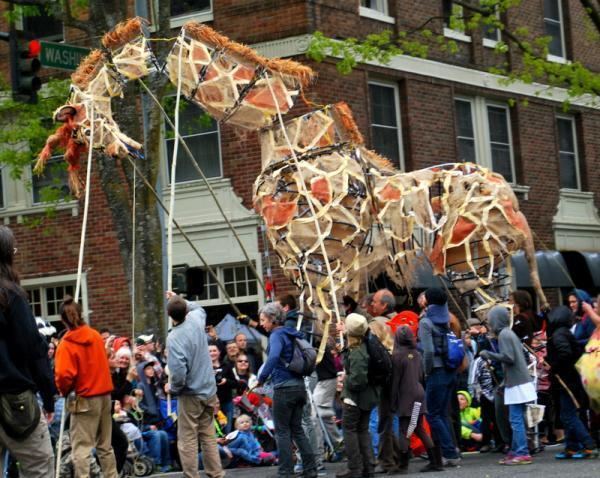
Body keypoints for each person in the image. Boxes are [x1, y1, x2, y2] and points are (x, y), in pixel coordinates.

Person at [0, 226, 55, 477]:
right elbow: (31, 349)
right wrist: (48, 394)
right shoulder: (10, 295)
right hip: (14, 401)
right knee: (39, 467)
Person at [54, 295, 118, 477]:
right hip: (104, 395)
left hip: (84, 398)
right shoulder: (95, 336)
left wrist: (65, 390)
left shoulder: (66, 344)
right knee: (105, 446)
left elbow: (63, 375)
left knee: (81, 449)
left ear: (62, 319)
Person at [165, 291, 224, 478]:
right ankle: (216, 473)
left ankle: (192, 475)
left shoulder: (174, 338)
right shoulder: (196, 320)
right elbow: (198, 308)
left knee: (188, 438)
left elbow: (179, 372)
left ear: (169, 315)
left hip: (191, 393)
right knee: (208, 434)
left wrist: (174, 388)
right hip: (209, 389)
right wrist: (180, 299)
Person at [256, 302, 317, 478]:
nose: (261, 324)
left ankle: (285, 472)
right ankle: (311, 469)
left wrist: (262, 378)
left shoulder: (276, 335)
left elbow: (274, 356)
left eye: (263, 320)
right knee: (297, 430)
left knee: (282, 431)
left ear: (273, 320)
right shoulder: (291, 333)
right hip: (299, 386)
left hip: (284, 388)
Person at [480, 305, 535, 466]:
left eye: (491, 320)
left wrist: (488, 354)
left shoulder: (504, 334)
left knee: (516, 419)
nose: (490, 324)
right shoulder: (508, 333)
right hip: (517, 381)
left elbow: (508, 358)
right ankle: (517, 450)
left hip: (517, 382)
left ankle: (522, 452)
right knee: (515, 418)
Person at [546, 306, 598, 459]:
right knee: (566, 414)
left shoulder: (558, 334)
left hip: (566, 381)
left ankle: (589, 444)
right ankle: (571, 447)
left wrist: (552, 366)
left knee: (568, 415)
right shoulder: (564, 332)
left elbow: (565, 353)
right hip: (570, 379)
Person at [417, 287, 461, 466]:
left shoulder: (426, 322)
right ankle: (451, 449)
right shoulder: (447, 319)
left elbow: (428, 352)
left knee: (433, 414)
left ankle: (449, 453)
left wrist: (426, 371)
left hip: (436, 371)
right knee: (442, 413)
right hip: (450, 370)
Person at [336, 313, 379, 478]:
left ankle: (355, 468)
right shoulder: (364, 344)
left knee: (350, 430)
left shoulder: (357, 351)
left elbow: (358, 380)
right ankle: (368, 466)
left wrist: (347, 384)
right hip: (366, 397)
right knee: (362, 430)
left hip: (355, 398)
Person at [390, 326, 437, 473]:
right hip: (418, 394)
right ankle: (435, 460)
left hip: (406, 396)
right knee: (418, 427)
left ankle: (403, 465)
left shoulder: (397, 356)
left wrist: (392, 401)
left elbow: (395, 381)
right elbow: (422, 376)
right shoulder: (417, 353)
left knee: (405, 430)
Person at [208, 342, 238, 433]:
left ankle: (226, 446)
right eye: (210, 351)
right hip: (210, 403)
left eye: (214, 350)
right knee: (212, 431)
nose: (212, 353)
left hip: (226, 402)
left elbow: (235, 383)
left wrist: (226, 381)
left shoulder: (226, 366)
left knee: (227, 429)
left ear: (219, 352)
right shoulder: (203, 367)